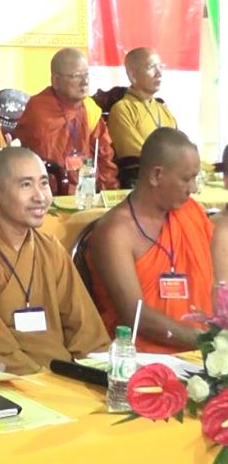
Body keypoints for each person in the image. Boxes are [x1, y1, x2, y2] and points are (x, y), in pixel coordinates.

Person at [0, 147, 109, 374]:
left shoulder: (51, 249)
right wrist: (43, 380)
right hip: (14, 383)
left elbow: (86, 331)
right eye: (26, 185)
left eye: (44, 183)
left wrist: (94, 374)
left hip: (65, 377)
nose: (40, 196)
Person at [88, 128, 213, 353]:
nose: (193, 189)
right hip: (140, 357)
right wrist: (209, 341)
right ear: (156, 175)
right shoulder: (115, 232)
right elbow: (136, 315)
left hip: (205, 353)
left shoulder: (191, 213)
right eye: (186, 179)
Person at [13, 48, 119, 193]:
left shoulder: (90, 108)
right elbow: (42, 164)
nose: (85, 82)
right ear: (56, 81)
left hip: (87, 189)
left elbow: (103, 153)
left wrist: (109, 190)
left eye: (87, 75)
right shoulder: (40, 111)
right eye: (76, 76)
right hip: (50, 192)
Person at [108, 47, 178, 159]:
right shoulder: (123, 110)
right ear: (133, 75)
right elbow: (135, 155)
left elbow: (179, 148)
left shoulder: (164, 110)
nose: (159, 73)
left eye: (160, 66)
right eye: (151, 67)